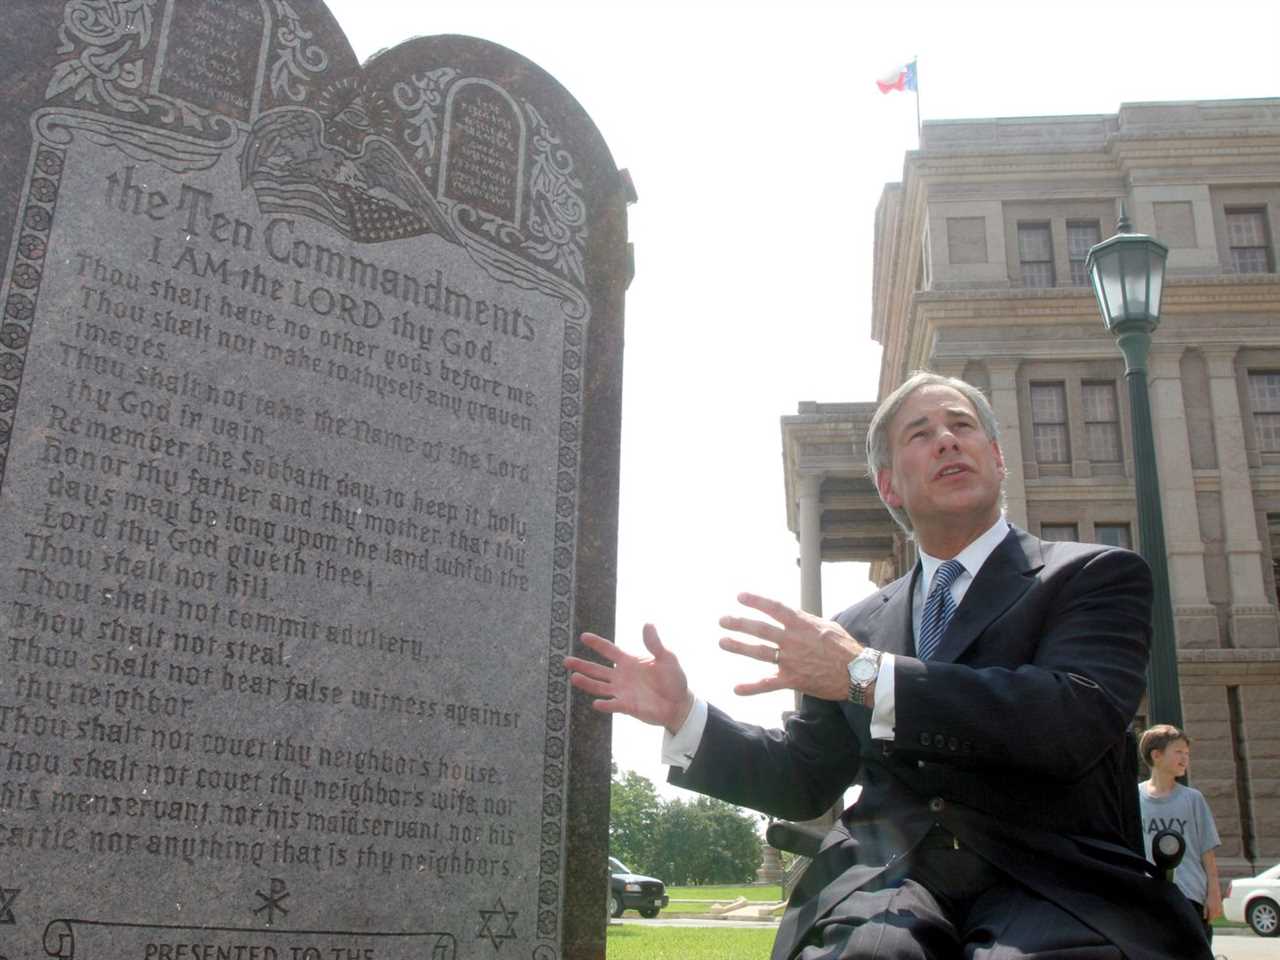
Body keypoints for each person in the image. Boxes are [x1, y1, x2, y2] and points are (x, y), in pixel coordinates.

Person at [566, 370, 1210, 960]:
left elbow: (1070, 718)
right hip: (889, 880)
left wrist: (869, 677)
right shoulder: (852, 627)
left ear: (998, 457)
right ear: (888, 484)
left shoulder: (1094, 576)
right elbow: (806, 777)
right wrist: (685, 717)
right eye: (921, 434)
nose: (947, 442)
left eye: (963, 427)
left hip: (1051, 878)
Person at [1138, 724, 1223, 944]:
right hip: (1149, 898)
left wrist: (1214, 894)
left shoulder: (1193, 799)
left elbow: (1207, 851)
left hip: (1190, 896)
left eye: (1187, 753)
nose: (1185, 758)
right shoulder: (1133, 799)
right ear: (1156, 755)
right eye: (1178, 752)